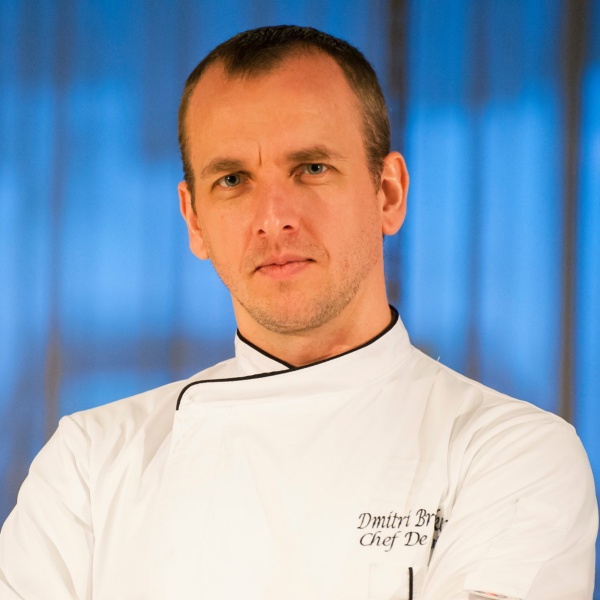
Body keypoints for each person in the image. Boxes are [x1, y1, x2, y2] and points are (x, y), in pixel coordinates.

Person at [0, 25, 596, 600]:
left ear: (388, 193)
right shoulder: (89, 464)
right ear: (194, 219)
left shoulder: (513, 454)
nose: (273, 218)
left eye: (312, 168)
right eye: (233, 179)